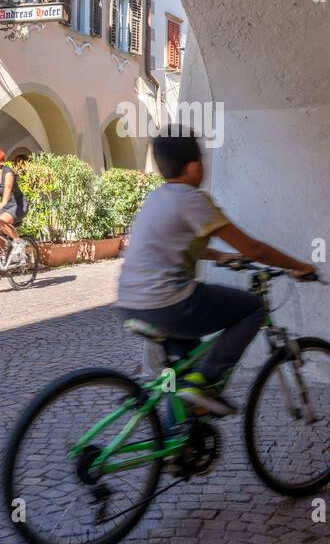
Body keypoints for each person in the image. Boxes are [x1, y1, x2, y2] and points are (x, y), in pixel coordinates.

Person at [116, 132, 316, 417]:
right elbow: (254, 249)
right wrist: (299, 265)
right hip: (170, 305)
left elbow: (173, 244)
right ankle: (205, 382)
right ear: (195, 166)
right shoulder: (193, 200)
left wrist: (219, 255)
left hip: (131, 304)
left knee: (180, 377)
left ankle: (176, 450)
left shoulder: (157, 199)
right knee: (253, 308)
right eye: (202, 159)